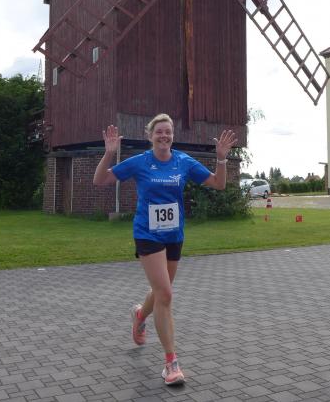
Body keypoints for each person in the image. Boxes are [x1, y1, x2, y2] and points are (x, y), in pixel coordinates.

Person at [93, 113, 236, 386]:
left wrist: (220, 159)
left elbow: (219, 184)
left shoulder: (183, 161)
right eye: (159, 131)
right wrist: (109, 153)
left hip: (173, 235)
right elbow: (100, 180)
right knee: (166, 294)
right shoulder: (140, 162)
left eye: (168, 132)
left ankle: (139, 315)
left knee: (162, 292)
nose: (164, 136)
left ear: (172, 136)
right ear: (150, 136)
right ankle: (171, 363)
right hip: (147, 234)